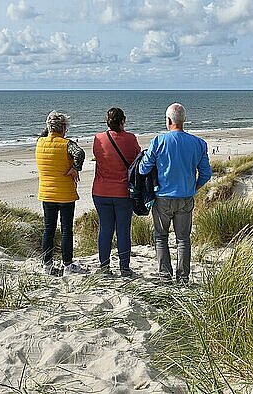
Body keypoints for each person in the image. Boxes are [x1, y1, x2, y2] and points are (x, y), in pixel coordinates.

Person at [139, 103, 212, 284]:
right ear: (183, 120)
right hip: (185, 196)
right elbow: (206, 174)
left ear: (169, 120)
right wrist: (194, 187)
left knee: (161, 237)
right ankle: (183, 278)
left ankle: (165, 276)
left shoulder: (158, 141)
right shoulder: (199, 143)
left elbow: (143, 169)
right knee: (183, 239)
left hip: (163, 197)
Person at [36, 110, 87, 276]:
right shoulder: (67, 144)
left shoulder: (40, 142)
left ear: (48, 127)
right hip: (65, 194)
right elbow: (80, 153)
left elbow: (46, 133)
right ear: (64, 128)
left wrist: (50, 125)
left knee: (48, 229)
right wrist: (75, 168)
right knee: (66, 229)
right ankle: (67, 265)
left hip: (47, 193)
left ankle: (47, 265)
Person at [92, 108, 141, 277]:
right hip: (123, 192)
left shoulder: (98, 138)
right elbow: (137, 158)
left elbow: (99, 157)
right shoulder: (130, 138)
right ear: (123, 121)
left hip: (101, 191)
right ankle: (124, 268)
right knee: (123, 230)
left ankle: (104, 267)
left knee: (105, 229)